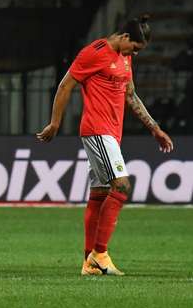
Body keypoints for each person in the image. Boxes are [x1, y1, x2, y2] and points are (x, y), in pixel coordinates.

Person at [37, 14, 174, 276]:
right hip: (97, 130)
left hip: (112, 133)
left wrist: (154, 128)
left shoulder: (125, 57)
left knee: (99, 195)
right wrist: (55, 123)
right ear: (124, 37)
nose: (134, 53)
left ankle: (89, 263)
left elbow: (130, 95)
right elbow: (65, 85)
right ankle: (99, 254)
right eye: (134, 47)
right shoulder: (93, 53)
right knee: (121, 186)